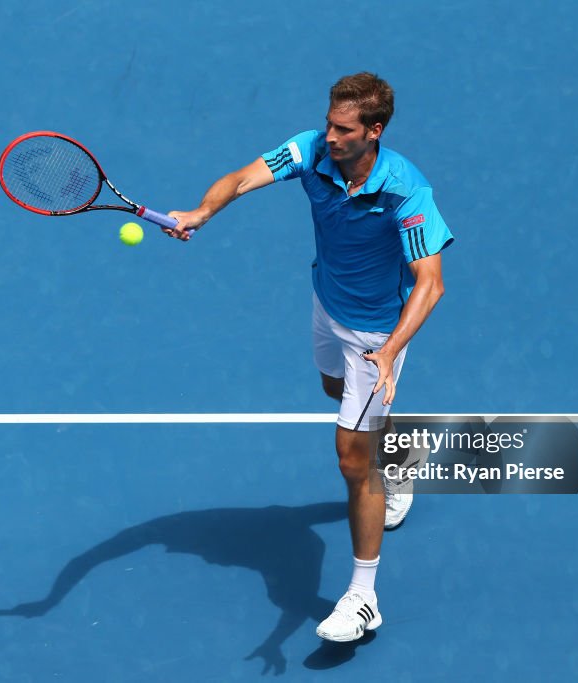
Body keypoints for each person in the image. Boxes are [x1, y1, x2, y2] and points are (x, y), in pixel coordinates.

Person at [166, 72, 453, 642]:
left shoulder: (407, 191)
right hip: (328, 302)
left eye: (344, 129)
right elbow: (242, 179)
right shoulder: (310, 150)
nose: (330, 135)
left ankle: (363, 597)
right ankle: (403, 452)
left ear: (374, 132)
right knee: (333, 394)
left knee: (352, 460)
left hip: (376, 333)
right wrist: (202, 212)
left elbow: (430, 284)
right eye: (328, 122)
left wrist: (391, 353)